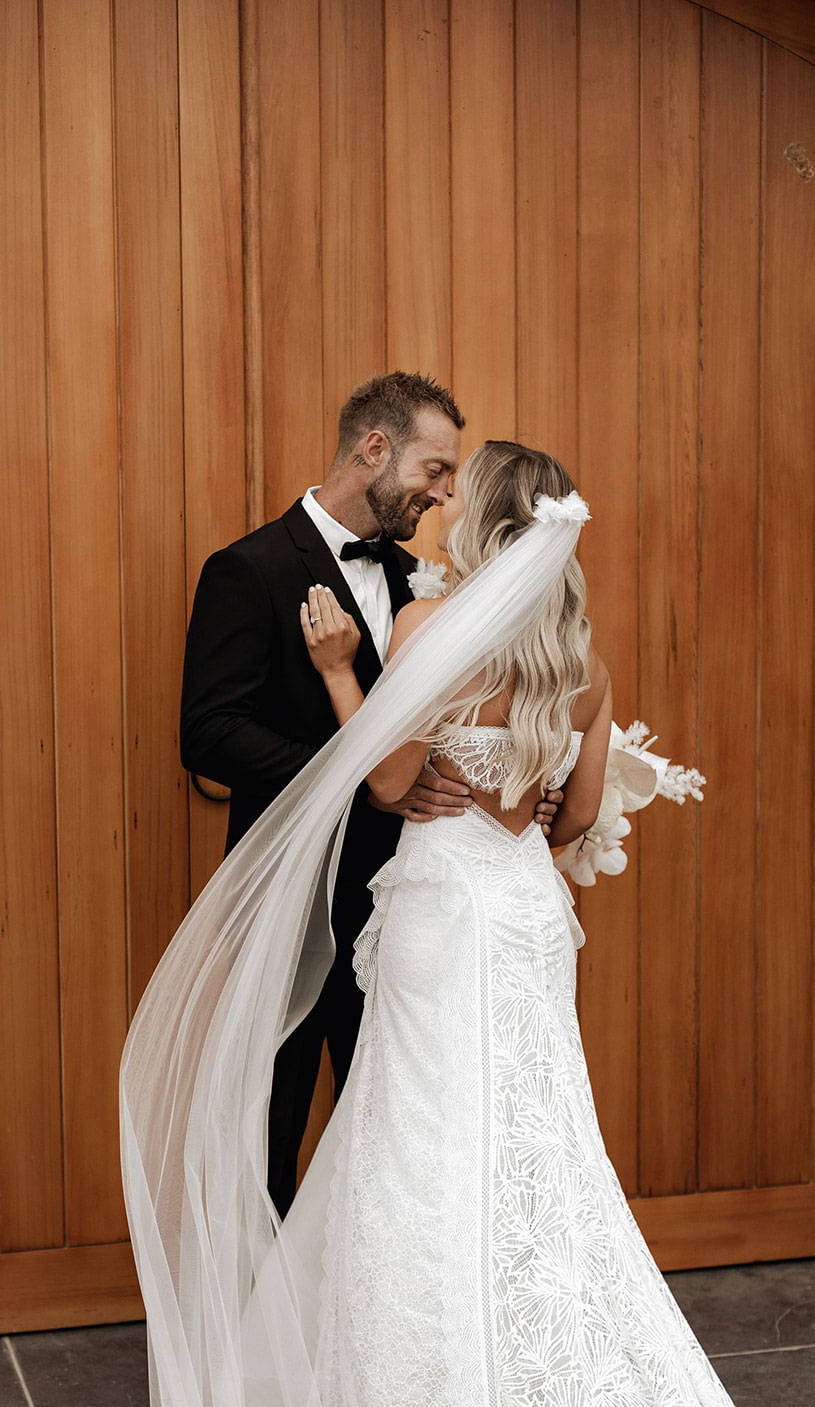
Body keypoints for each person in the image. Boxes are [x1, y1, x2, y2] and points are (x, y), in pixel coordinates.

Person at [120, 441, 815, 1407]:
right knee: (529, 1142)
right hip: (526, 913)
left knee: (424, 1140)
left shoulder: (431, 637)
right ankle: (521, 1370)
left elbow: (384, 787)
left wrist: (340, 671)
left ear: (478, 525)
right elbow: (574, 817)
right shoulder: (581, 657)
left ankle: (430, 1400)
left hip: (442, 911)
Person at [178, 372, 562, 1218]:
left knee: (389, 1117)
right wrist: (360, 775)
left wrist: (515, 792)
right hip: (294, 891)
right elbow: (208, 735)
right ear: (373, 449)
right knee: (272, 1112)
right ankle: (255, 1330)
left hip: (409, 898)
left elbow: (476, 716)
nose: (444, 493)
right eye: (432, 470)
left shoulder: (427, 584)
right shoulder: (247, 569)